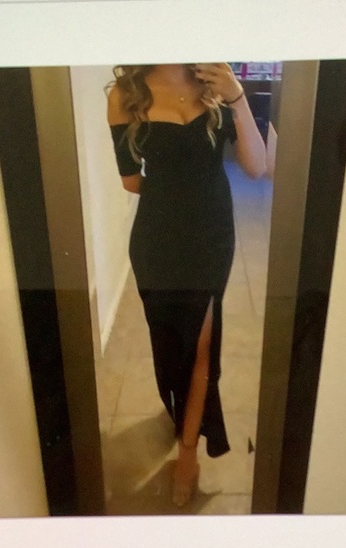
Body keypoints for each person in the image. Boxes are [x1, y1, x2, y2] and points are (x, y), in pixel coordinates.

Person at [106, 63, 266, 506]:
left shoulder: (217, 84)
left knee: (201, 347)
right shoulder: (125, 94)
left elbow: (257, 166)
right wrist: (176, 195)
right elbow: (130, 179)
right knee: (168, 343)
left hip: (211, 237)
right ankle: (177, 411)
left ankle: (189, 452)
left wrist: (237, 96)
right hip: (157, 240)